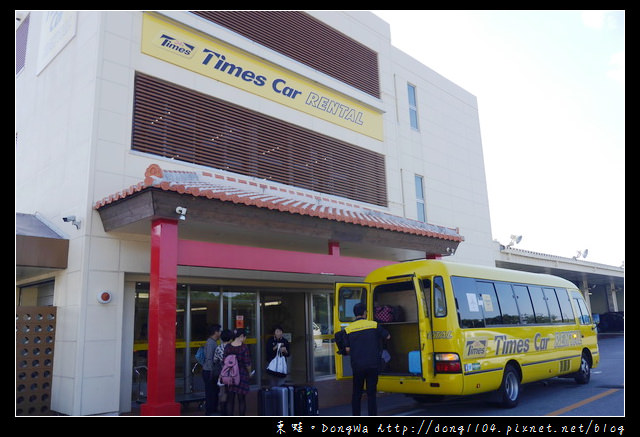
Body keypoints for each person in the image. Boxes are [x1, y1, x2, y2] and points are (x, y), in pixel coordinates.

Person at [344, 302, 390, 416]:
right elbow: (388, 336)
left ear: (355, 314)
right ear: (365, 313)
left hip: (358, 365)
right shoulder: (373, 325)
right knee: (371, 394)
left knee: (357, 393)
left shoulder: (348, 329)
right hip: (372, 364)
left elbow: (347, 349)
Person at [223, 328, 252, 415]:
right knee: (241, 400)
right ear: (241, 336)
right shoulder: (244, 347)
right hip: (241, 375)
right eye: (245, 337)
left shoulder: (228, 347)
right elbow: (247, 363)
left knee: (230, 400)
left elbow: (224, 361)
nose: (245, 339)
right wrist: (249, 373)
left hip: (229, 375)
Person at [202, 324, 221, 415]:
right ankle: (210, 411)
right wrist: (211, 372)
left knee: (214, 391)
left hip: (210, 371)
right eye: (219, 331)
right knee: (210, 392)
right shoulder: (210, 343)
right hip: (209, 371)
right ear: (215, 332)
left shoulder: (212, 342)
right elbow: (209, 358)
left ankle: (213, 409)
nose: (220, 333)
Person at [213, 329, 233, 415]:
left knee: (223, 392)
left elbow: (215, 360)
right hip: (232, 373)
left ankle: (223, 412)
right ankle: (229, 412)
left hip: (222, 373)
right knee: (231, 393)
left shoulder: (218, 348)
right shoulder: (233, 348)